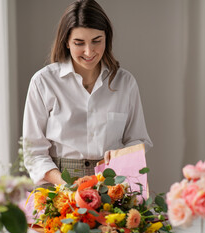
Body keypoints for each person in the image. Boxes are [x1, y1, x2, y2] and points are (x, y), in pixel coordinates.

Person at [23, 0, 152, 186]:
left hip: (114, 185)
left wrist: (121, 154)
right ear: (66, 42)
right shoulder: (43, 82)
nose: (89, 51)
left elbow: (139, 140)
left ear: (106, 38)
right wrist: (66, 185)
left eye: (96, 41)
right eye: (79, 43)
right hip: (58, 185)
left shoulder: (125, 83)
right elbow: (33, 152)